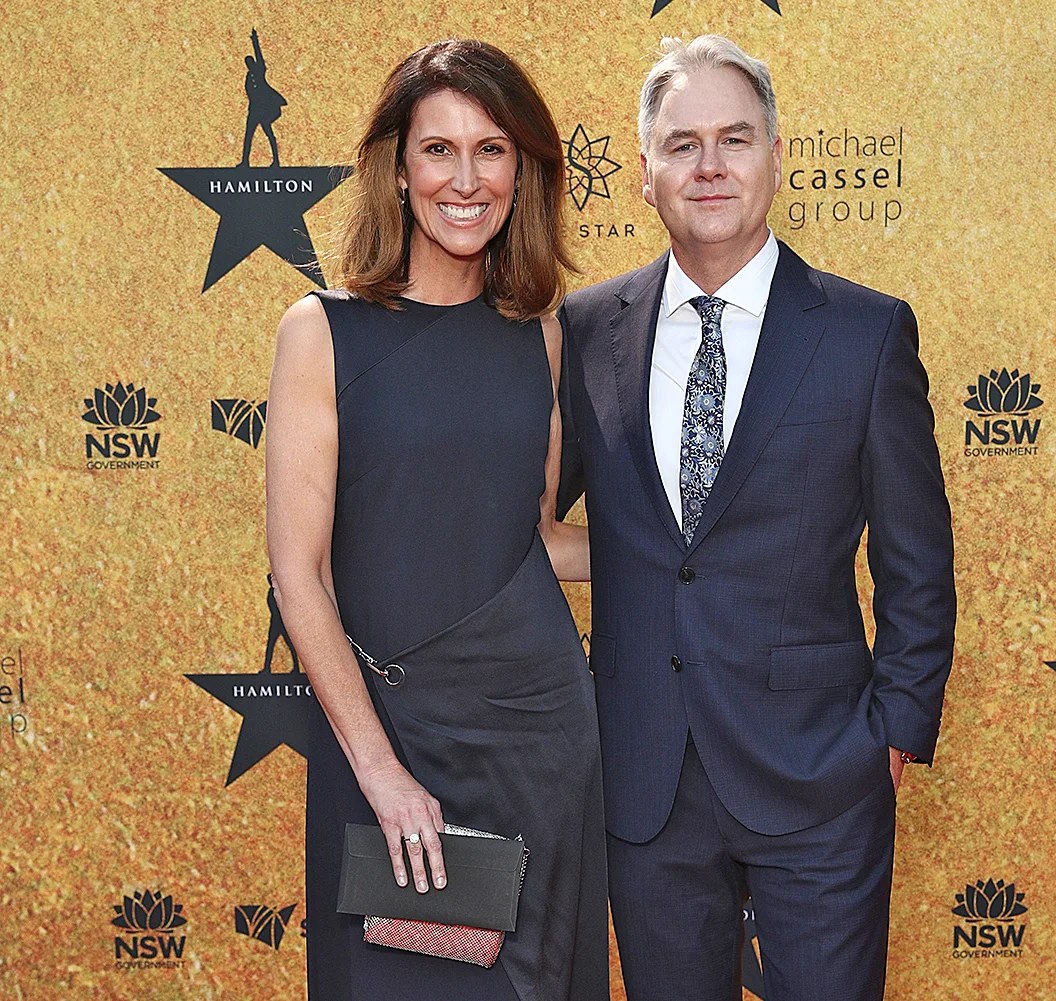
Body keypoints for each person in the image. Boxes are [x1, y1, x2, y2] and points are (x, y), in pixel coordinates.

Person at [556, 35, 956, 1001]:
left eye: (734, 138)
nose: (710, 165)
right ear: (643, 172)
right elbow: (532, 518)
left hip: (822, 775)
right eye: (682, 143)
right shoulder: (585, 328)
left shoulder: (866, 333)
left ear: (777, 157)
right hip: (645, 781)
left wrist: (890, 734)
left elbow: (917, 562)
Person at [265, 40, 607, 1001]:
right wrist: (382, 773)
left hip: (537, 741)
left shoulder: (538, 336)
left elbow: (532, 538)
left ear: (522, 171)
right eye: (439, 150)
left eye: (491, 150)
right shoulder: (322, 332)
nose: (466, 180)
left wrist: (688, 555)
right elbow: (301, 576)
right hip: (386, 744)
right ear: (398, 168)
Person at [241, 28, 287, 167]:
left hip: (265, 109)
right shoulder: (249, 77)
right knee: (248, 137)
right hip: (254, 110)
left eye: (251, 62)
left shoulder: (259, 70)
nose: (250, 64)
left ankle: (276, 161)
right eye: (247, 63)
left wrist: (254, 40)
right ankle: (245, 162)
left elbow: (259, 55)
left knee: (269, 134)